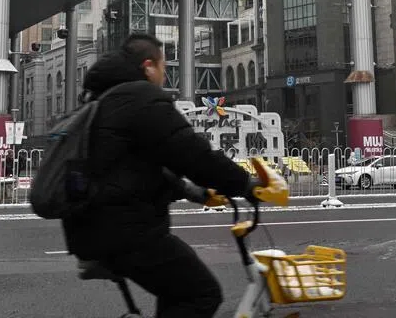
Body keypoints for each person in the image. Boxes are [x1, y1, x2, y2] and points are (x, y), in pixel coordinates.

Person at [61, 33, 258, 318]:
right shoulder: (141, 98)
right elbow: (192, 153)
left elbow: (139, 167)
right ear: (149, 66)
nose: (164, 76)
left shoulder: (105, 99)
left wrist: (194, 192)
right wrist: (244, 184)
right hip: (125, 230)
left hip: (93, 227)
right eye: (164, 68)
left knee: (176, 294)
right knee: (201, 294)